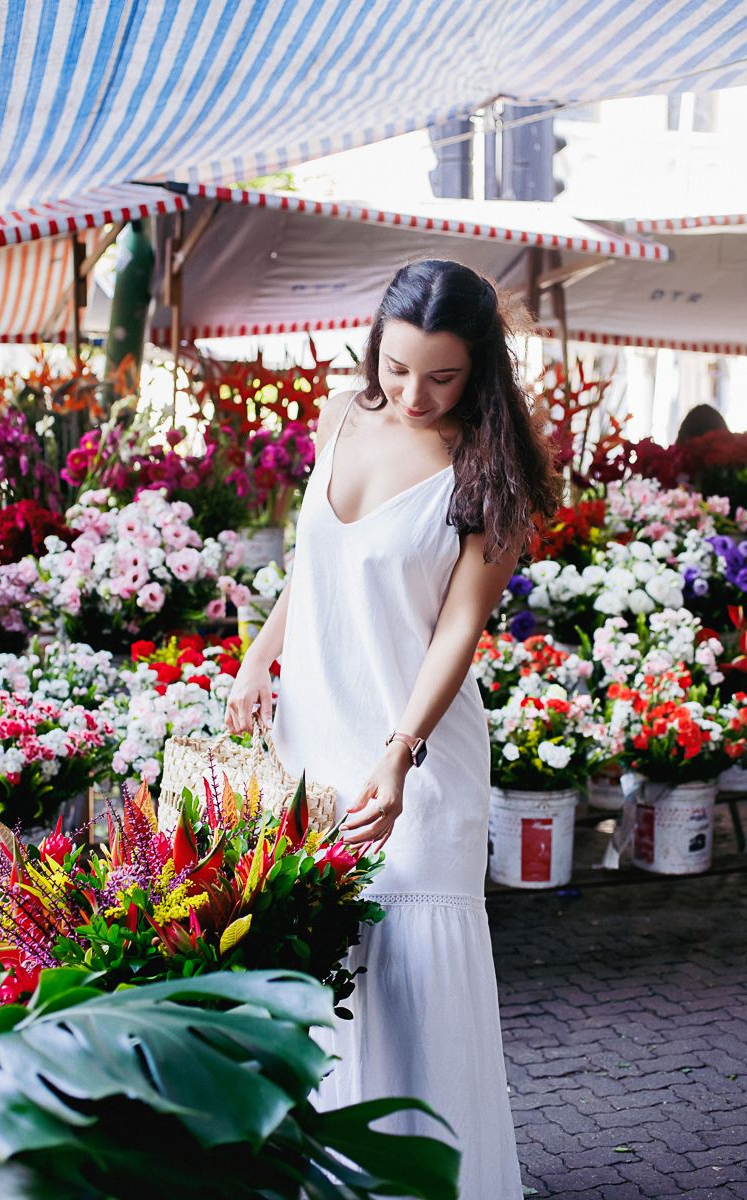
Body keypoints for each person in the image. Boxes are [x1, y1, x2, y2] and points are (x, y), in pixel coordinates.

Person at [224, 258, 562, 1198]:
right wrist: (261, 656)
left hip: (416, 754)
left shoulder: (490, 469)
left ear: (480, 369)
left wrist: (399, 750)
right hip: (315, 742)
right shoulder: (342, 414)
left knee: (414, 990)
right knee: (324, 978)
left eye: (443, 377)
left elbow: (461, 626)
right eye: (400, 367)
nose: (415, 394)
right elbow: (314, 561)